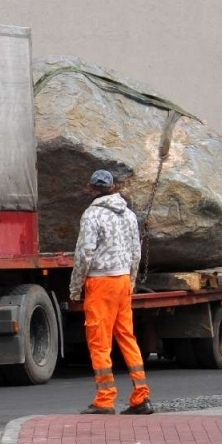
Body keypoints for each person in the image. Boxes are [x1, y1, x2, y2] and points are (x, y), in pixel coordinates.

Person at [70, 168, 153, 415]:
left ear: (90, 188)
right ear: (113, 187)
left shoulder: (91, 214)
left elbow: (84, 253)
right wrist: (131, 281)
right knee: (127, 337)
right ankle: (141, 396)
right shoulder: (128, 215)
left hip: (101, 282)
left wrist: (75, 288)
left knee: (100, 340)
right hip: (123, 281)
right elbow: (136, 252)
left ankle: (105, 399)